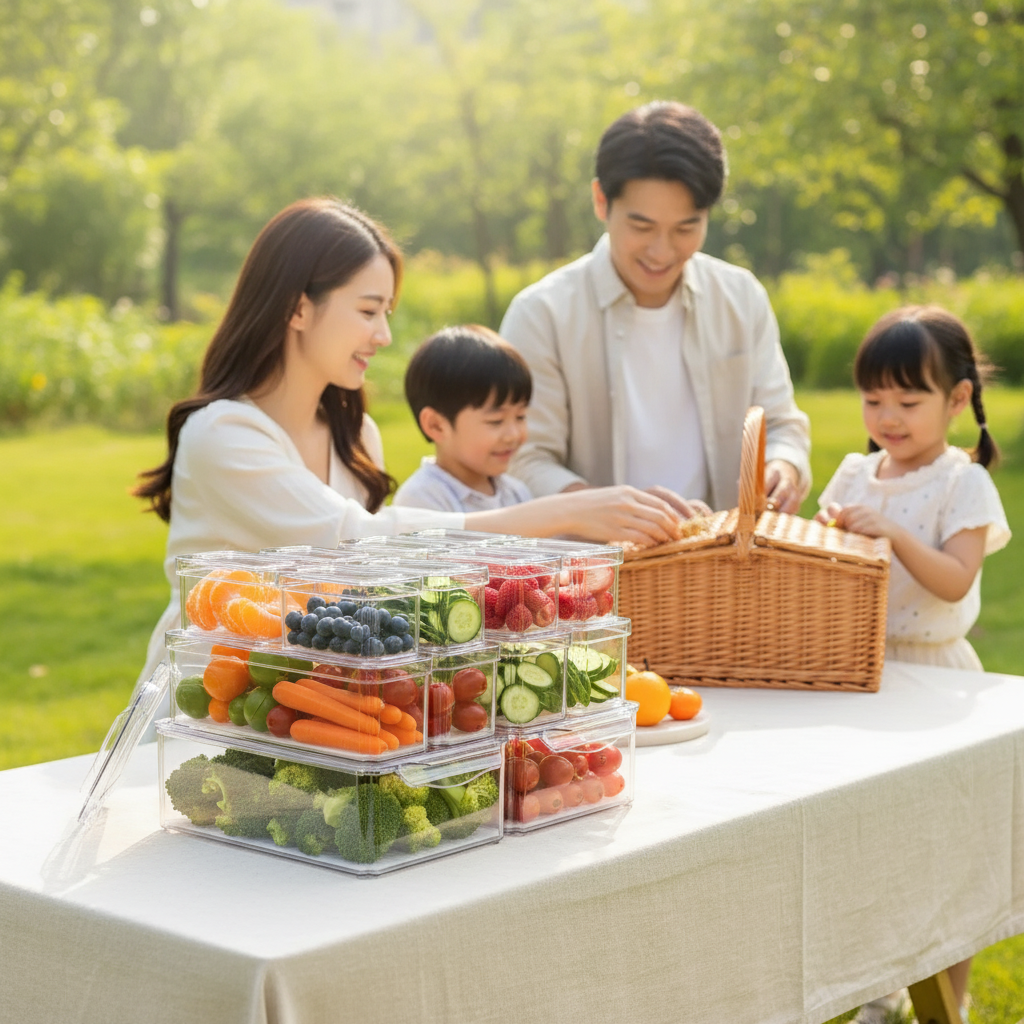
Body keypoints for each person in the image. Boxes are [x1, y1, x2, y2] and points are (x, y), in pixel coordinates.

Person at [133, 198, 685, 687]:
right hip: (203, 702)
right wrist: (564, 512)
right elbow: (356, 542)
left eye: (387, 313)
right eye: (368, 311)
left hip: (299, 709)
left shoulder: (356, 438)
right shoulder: (224, 435)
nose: (384, 335)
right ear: (297, 308)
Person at [814, 305, 1010, 1024]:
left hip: (936, 680)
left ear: (957, 399)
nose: (887, 418)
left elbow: (954, 581)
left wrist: (892, 532)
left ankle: (946, 999)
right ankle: (882, 984)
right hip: (862, 675)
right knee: (870, 840)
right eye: (873, 400)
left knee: (946, 845)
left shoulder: (964, 484)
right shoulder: (854, 473)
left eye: (908, 400)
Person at [500, 100, 811, 514]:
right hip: (593, 554)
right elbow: (522, 459)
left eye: (686, 227)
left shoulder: (740, 298)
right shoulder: (543, 315)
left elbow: (783, 426)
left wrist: (783, 467)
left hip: (722, 550)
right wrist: (602, 510)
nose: (662, 252)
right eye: (642, 226)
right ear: (601, 200)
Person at [393, 324, 533, 512]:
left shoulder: (517, 493)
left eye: (521, 417)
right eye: (496, 421)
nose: (514, 435)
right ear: (436, 425)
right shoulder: (421, 501)